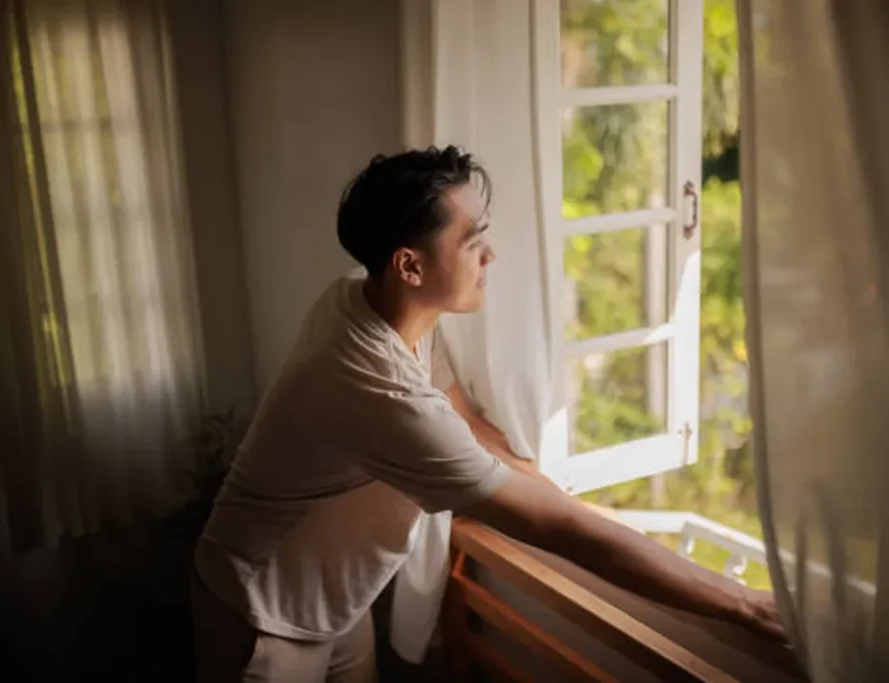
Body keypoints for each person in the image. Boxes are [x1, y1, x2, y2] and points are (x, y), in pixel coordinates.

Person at [191, 146, 784, 682]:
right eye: (473, 242)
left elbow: (468, 421)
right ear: (410, 266)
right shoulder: (382, 391)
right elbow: (558, 530)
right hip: (259, 614)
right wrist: (745, 604)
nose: (490, 255)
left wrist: (549, 488)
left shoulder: (366, 297)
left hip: (337, 601)